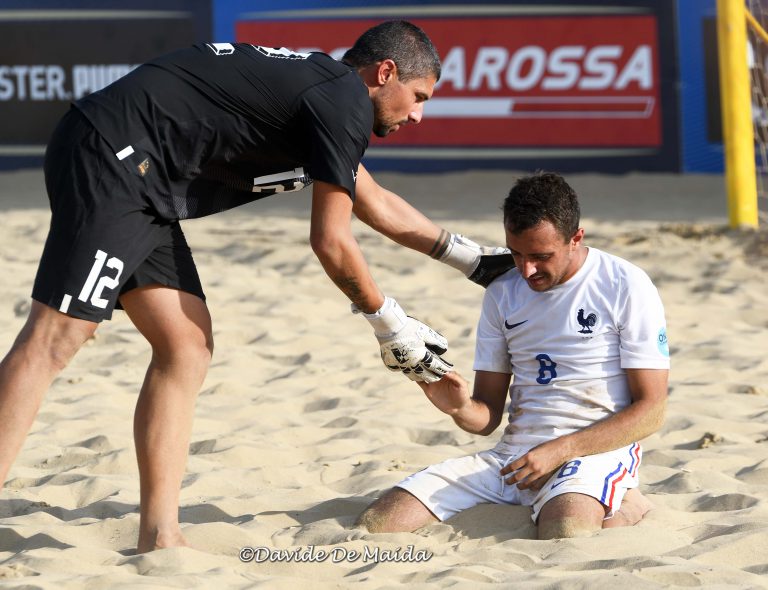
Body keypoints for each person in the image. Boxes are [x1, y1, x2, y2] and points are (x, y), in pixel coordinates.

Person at [0, 21, 513, 553]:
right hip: (114, 155)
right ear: (385, 72)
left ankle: (160, 536)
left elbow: (376, 202)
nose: (418, 114)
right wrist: (391, 326)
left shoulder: (327, 96)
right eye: (419, 96)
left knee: (186, 346)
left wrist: (473, 261)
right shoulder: (343, 99)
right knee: (54, 337)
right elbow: (331, 242)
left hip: (141, 174)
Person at [356, 172, 670, 539]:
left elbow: (652, 410)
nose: (526, 270)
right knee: (378, 523)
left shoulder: (624, 283)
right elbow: (486, 419)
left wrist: (560, 451)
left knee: (566, 531)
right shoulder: (502, 292)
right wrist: (459, 408)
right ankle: (601, 506)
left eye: (540, 256)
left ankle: (627, 502)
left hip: (592, 453)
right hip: (514, 457)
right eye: (516, 254)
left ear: (576, 239)